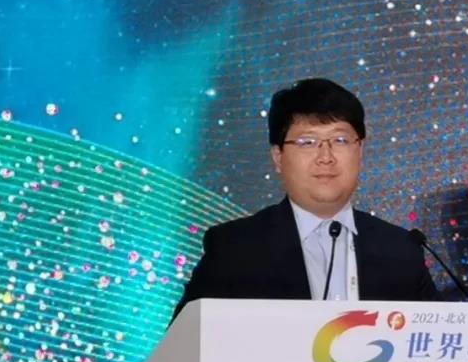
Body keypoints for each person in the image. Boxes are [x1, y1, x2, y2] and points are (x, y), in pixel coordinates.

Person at [171, 78, 438, 322]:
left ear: (360, 151)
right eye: (307, 142)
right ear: (278, 157)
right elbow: (182, 350)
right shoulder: (234, 250)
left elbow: (437, 346)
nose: (326, 157)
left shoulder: (402, 251)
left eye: (340, 140)